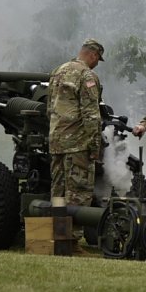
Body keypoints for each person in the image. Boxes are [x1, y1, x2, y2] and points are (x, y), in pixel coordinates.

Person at [47, 39, 105, 215]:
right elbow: (91, 115)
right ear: (93, 54)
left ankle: (57, 230)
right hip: (78, 145)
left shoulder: (58, 71)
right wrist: (95, 147)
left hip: (56, 141)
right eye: (97, 59)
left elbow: (49, 108)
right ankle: (72, 235)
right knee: (78, 192)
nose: (96, 64)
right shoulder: (87, 76)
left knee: (58, 190)